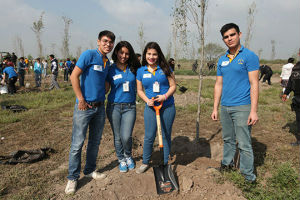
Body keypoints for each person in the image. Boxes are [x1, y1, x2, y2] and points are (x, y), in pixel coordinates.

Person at [65, 30, 115, 195]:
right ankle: (72, 178)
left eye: (110, 42)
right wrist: (81, 99)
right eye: (105, 41)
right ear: (98, 41)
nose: (108, 45)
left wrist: (102, 93)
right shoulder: (89, 55)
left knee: (95, 141)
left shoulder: (107, 62)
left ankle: (90, 170)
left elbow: (107, 82)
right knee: (77, 144)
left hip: (99, 107)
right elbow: (74, 76)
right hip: (84, 107)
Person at [211, 23, 259, 183]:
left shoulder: (249, 56)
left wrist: (253, 110)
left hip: (243, 107)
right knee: (228, 139)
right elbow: (219, 84)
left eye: (232, 35)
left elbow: (254, 84)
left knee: (244, 143)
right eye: (226, 37)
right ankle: (227, 164)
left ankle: (248, 177)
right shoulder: (222, 59)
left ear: (239, 34)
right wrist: (215, 108)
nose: (229, 39)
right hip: (225, 107)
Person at [136, 42, 176, 174]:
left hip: (167, 106)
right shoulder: (141, 71)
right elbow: (140, 90)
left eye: (154, 54)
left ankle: (165, 162)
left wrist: (164, 96)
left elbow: (173, 86)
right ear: (145, 55)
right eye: (149, 54)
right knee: (149, 136)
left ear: (158, 55)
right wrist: (148, 101)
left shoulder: (166, 68)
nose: (151, 57)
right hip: (151, 108)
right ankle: (145, 161)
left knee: (165, 134)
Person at [106, 41, 140, 173]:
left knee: (126, 136)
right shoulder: (110, 69)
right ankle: (121, 158)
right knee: (117, 136)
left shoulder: (134, 69)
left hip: (130, 107)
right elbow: (105, 88)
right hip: (113, 106)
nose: (124, 55)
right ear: (116, 53)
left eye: (127, 53)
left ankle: (128, 155)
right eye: (121, 52)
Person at [282, 61, 300, 146]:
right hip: (297, 98)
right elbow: (291, 81)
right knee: (299, 119)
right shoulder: (296, 67)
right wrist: (286, 93)